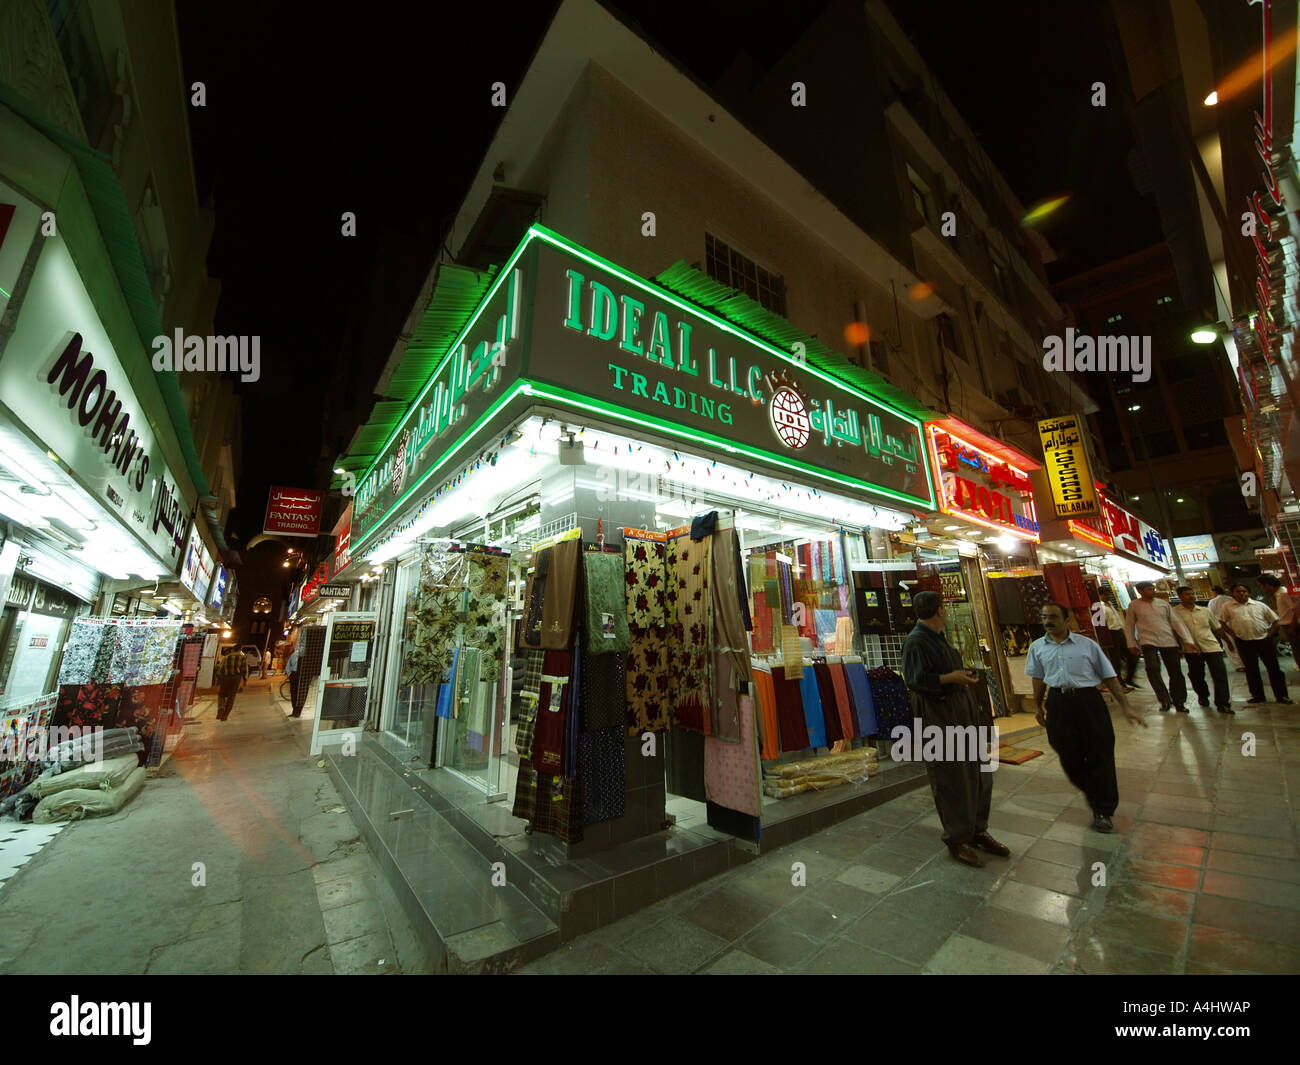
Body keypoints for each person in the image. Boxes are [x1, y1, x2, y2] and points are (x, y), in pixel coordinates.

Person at [901, 590, 1009, 868]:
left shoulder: (937, 638)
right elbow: (914, 680)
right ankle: (957, 839)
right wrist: (952, 677)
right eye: (944, 608)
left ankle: (976, 830)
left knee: (979, 770)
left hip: (959, 708)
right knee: (951, 775)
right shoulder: (915, 641)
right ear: (939, 611)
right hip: (938, 712)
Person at [1027, 602, 1146, 833]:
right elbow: (1038, 678)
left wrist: (1126, 706)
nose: (1047, 621)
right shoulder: (1037, 647)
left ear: (1066, 619)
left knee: (1099, 754)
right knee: (1067, 755)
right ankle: (1094, 790)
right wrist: (1038, 707)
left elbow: (1109, 676)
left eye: (1052, 617)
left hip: (1089, 702)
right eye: (1043, 617)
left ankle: (1103, 810)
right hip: (1058, 703)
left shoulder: (1087, 645)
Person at [1124, 580, 1194, 712]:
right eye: (1149, 589)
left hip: (1168, 641)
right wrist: (1131, 643)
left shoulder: (1163, 604)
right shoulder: (1134, 605)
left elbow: (1176, 622)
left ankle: (1179, 701)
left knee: (1176, 673)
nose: (1152, 591)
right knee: (1152, 669)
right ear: (1140, 591)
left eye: (1152, 589)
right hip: (1148, 641)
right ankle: (1164, 700)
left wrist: (1187, 640)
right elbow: (1129, 625)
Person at [1220, 584, 1293, 705]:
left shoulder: (1259, 605)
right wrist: (1233, 634)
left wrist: (1269, 635)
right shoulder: (1227, 607)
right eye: (1238, 591)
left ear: (1248, 593)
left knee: (1274, 668)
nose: (1241, 593)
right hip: (1244, 641)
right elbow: (1222, 622)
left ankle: (1282, 696)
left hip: (1263, 640)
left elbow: (1276, 621)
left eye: (1244, 591)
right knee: (1251, 670)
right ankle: (1258, 695)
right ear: (1233, 593)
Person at [1175, 587, 1234, 714]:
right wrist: (1179, 647)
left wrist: (1228, 641)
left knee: (1220, 674)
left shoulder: (1205, 611)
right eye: (1187, 595)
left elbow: (1217, 628)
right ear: (1180, 596)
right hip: (1191, 650)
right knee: (1196, 676)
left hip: (1211, 646)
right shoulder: (1175, 613)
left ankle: (1223, 703)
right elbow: (1174, 632)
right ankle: (1203, 695)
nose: (1191, 596)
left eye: (1192, 594)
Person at [1102, 599, 1137, 691]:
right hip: (1111, 633)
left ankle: (1129, 678)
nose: (1107, 596)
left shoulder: (1109, 604)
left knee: (1132, 655)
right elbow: (1100, 624)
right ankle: (1119, 683)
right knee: (1115, 660)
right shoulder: (1099, 606)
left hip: (1119, 631)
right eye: (1105, 594)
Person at [1208, 586, 1243, 671]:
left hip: (1221, 624)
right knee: (1239, 643)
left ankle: (1239, 665)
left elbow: (1210, 613)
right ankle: (1244, 662)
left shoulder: (1213, 601)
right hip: (1235, 623)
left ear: (1214, 592)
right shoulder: (1230, 599)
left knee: (1229, 644)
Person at [1257, 576, 1295, 654]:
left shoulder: (1284, 593)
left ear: (1267, 585)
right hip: (1288, 627)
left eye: (1261, 585)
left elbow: (1295, 610)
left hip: (1292, 627)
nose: (1261, 588)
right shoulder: (1278, 594)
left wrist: (1293, 626)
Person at [215, 646, 248, 721]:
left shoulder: (226, 657)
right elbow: (244, 671)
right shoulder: (242, 658)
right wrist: (244, 682)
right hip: (235, 679)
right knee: (231, 697)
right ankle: (225, 715)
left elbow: (220, 670)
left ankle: (221, 708)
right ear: (240, 650)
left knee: (221, 694)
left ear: (232, 650)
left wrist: (218, 682)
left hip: (225, 678)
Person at [286, 640, 308, 718]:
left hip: (302, 676)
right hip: (294, 674)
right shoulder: (294, 654)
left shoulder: (307, 657)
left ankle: (298, 711)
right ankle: (294, 710)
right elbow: (288, 665)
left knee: (301, 694)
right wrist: (290, 674)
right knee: (293, 693)